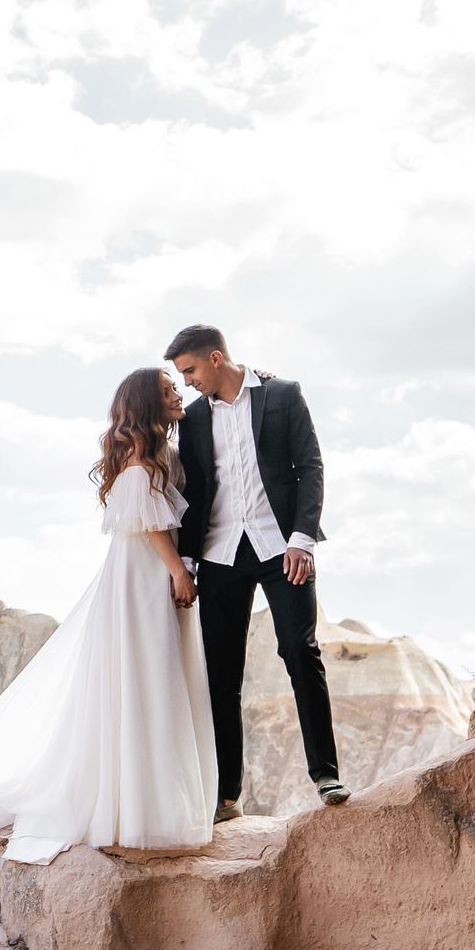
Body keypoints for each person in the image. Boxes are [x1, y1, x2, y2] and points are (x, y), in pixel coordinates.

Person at [0, 368, 218, 858]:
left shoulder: (158, 455)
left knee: (153, 678)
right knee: (147, 676)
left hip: (143, 573)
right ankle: (136, 809)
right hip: (143, 577)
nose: (178, 393)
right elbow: (153, 527)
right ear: (146, 405)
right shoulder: (140, 465)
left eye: (176, 386)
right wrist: (179, 571)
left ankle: (149, 804)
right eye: (166, 390)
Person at [162, 324, 342, 822]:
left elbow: (310, 467)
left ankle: (326, 774)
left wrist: (303, 538)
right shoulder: (195, 417)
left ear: (215, 359)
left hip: (282, 549)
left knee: (300, 650)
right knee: (221, 674)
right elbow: (197, 490)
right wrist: (188, 561)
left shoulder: (283, 395)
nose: (188, 381)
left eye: (190, 370)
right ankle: (227, 797)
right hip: (220, 554)